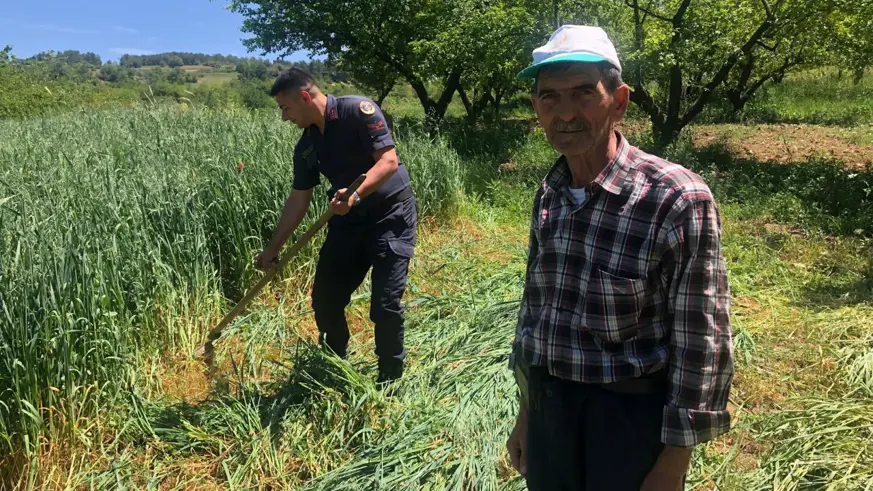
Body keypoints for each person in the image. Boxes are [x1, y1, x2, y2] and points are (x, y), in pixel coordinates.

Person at [505, 25, 734, 490]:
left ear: (620, 101)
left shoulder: (675, 198)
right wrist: (526, 414)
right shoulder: (550, 192)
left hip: (628, 420)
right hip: (551, 409)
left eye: (583, 94)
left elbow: (701, 340)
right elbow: (537, 316)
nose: (565, 114)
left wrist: (674, 463)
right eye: (549, 97)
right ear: (536, 108)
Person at [255, 68, 417, 384]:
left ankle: (389, 380)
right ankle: (335, 365)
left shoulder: (358, 111)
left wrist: (355, 192)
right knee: (325, 299)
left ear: (304, 97)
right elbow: (298, 200)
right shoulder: (306, 147)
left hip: (390, 216)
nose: (284, 118)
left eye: (285, 108)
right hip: (348, 222)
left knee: (384, 305)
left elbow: (388, 161)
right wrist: (273, 249)